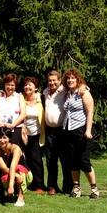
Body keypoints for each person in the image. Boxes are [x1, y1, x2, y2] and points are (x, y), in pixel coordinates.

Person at [62, 69, 99, 199]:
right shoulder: (68, 93)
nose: (70, 80)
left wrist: (88, 130)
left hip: (82, 130)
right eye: (68, 78)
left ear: (78, 80)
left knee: (84, 160)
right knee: (72, 161)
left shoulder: (84, 92)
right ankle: (76, 188)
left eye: (73, 78)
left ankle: (94, 189)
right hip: (69, 130)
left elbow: (90, 112)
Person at [43, 70, 72, 195]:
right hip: (49, 131)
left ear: (60, 80)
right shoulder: (45, 92)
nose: (52, 82)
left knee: (65, 160)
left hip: (63, 130)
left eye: (54, 80)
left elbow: (79, 87)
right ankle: (52, 186)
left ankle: (68, 187)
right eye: (50, 80)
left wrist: (84, 87)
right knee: (51, 160)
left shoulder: (65, 90)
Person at [0, 126, 32, 207]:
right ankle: (11, 194)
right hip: (9, 174)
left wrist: (11, 185)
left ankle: (21, 197)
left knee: (18, 169)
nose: (2, 140)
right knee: (16, 173)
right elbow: (4, 168)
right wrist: (15, 176)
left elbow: (13, 166)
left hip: (25, 175)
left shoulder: (16, 148)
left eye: (5, 137)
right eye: (0, 137)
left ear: (9, 138)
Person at [21, 76, 46, 193]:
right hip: (25, 134)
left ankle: (40, 185)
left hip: (38, 134)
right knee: (27, 159)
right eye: (25, 85)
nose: (27, 87)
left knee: (37, 159)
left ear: (35, 88)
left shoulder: (41, 98)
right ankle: (31, 183)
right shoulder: (21, 99)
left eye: (30, 85)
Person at [0, 73, 25, 147]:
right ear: (4, 85)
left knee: (14, 153)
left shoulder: (19, 96)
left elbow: (23, 114)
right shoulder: (0, 97)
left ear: (15, 86)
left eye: (12, 85)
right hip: (1, 130)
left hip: (15, 130)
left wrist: (12, 125)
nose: (10, 87)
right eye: (8, 84)